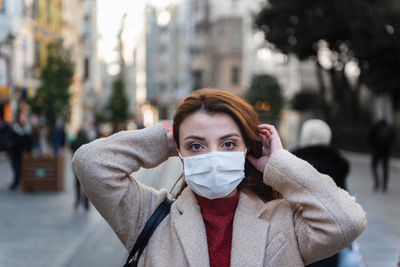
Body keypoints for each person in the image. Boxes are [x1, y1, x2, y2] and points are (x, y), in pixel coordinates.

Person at [72, 88, 366, 266]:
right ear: (180, 151)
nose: (212, 156)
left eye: (228, 144)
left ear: (247, 149)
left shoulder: (283, 221)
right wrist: (163, 140)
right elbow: (91, 162)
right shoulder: (149, 216)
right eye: (196, 145)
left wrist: (280, 164)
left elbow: (346, 221)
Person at [292, 119, 351, 267]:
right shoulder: (336, 162)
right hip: (330, 234)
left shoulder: (293, 161)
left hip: (299, 234)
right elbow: (343, 201)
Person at [367, 119, 396, 192]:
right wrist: (389, 148)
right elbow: (393, 138)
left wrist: (373, 147)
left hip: (377, 150)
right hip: (385, 151)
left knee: (374, 166)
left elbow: (369, 137)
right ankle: (385, 185)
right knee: (385, 168)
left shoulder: (376, 127)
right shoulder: (388, 127)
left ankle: (377, 183)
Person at [71, 128, 90, 210]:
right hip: (86, 165)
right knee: (86, 184)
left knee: (77, 183)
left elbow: (70, 148)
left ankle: (78, 199)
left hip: (76, 165)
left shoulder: (74, 142)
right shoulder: (88, 141)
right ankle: (86, 202)